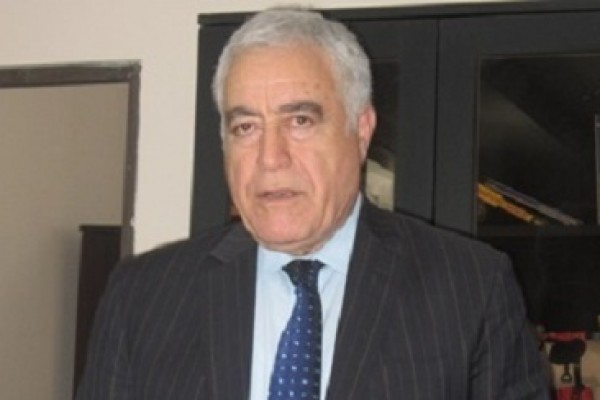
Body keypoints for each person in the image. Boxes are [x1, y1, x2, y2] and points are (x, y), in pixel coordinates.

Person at [76, 7, 550, 400]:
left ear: (360, 131)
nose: (270, 157)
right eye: (245, 127)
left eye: (300, 120)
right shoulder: (143, 297)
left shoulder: (470, 288)